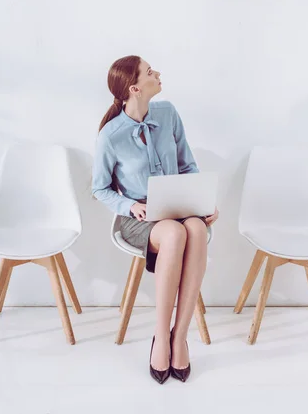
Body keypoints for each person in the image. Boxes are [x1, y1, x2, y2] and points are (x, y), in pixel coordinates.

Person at [92, 55, 219, 384]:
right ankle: (161, 337)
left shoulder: (168, 114)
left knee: (194, 227)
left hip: (178, 204)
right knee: (176, 235)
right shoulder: (111, 135)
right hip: (140, 216)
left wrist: (203, 203)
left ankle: (180, 337)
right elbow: (101, 190)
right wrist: (130, 207)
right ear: (135, 88)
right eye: (150, 72)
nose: (157, 73)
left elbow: (187, 165)